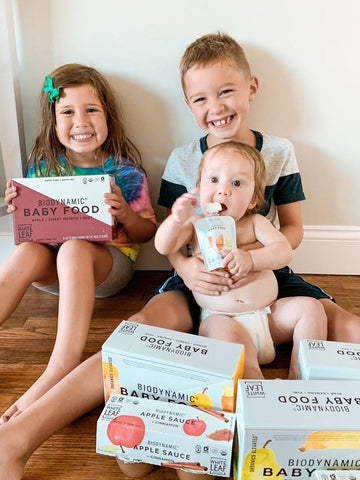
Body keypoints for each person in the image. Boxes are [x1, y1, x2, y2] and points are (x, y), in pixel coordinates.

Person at [131, 31, 360, 344]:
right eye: (201, 99)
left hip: (267, 270)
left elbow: (293, 228)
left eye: (226, 91)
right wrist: (185, 269)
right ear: (189, 104)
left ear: (251, 88)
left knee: (347, 326)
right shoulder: (182, 160)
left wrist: (251, 256)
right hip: (199, 277)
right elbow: (171, 238)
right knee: (140, 329)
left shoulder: (279, 152)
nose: (216, 107)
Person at [0, 63, 156, 425]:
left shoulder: (126, 173)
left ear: (108, 117)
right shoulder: (44, 168)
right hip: (55, 268)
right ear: (54, 122)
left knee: (74, 247)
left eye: (91, 110)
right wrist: (20, 210)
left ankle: (62, 364)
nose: (80, 121)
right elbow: (37, 238)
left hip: (107, 269)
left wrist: (125, 214)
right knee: (26, 250)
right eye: (68, 111)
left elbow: (148, 235)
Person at [155, 141, 327, 378]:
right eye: (214, 180)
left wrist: (251, 259)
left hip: (269, 318)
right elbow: (163, 246)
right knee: (235, 349)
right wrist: (175, 219)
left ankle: (301, 375)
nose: (223, 190)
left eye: (236, 183)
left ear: (253, 199)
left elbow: (284, 251)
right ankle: (256, 391)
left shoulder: (256, 223)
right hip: (221, 319)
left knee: (311, 308)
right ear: (199, 186)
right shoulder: (196, 224)